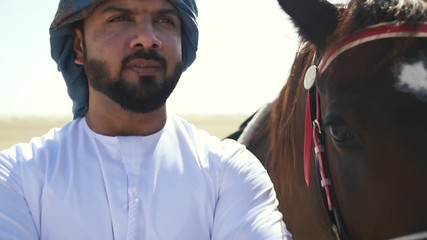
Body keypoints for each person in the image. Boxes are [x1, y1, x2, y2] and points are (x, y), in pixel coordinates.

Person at [0, 0, 292, 239]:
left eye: (165, 21)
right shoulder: (19, 177)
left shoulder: (229, 173)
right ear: (78, 46)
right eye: (120, 19)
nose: (147, 39)